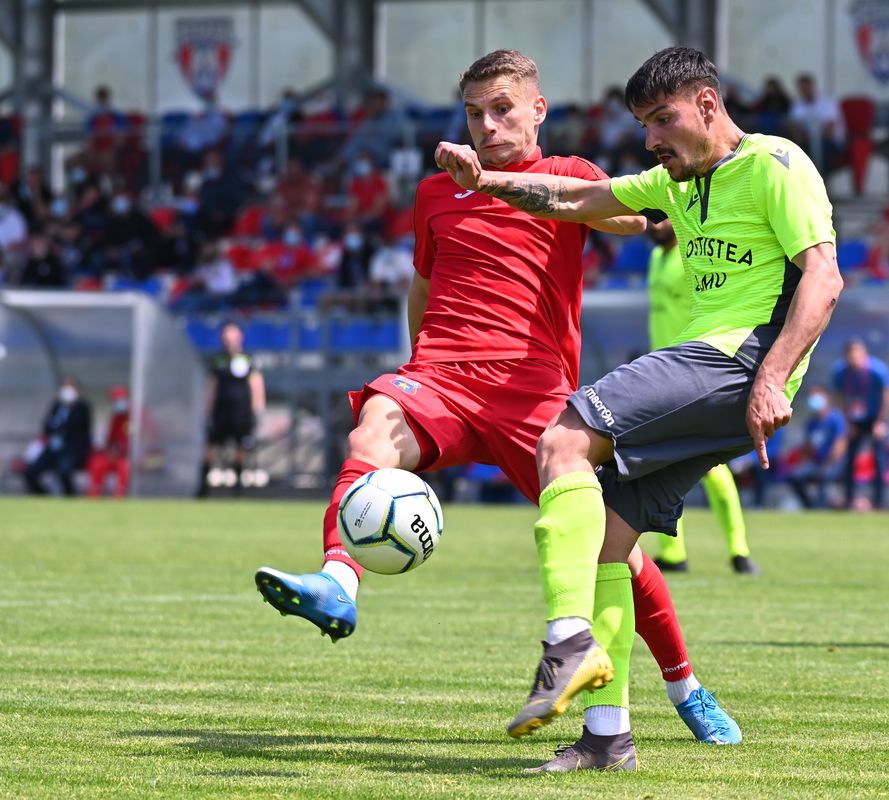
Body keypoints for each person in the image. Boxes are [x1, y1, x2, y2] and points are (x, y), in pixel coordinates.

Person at [253, 49, 740, 749]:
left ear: (538, 109)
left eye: (502, 108)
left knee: (613, 548)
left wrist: (623, 210)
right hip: (444, 377)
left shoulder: (569, 178)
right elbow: (423, 285)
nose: (487, 124)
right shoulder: (433, 192)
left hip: (532, 391)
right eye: (475, 113)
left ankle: (684, 684)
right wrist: (419, 367)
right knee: (371, 430)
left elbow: (629, 222)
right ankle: (339, 582)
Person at [435, 46, 841, 771]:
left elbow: (824, 278)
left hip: (736, 362)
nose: (652, 138)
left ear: (708, 106)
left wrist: (774, 378)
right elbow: (574, 202)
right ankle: (607, 737)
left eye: (663, 120)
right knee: (606, 544)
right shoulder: (675, 182)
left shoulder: (777, 164)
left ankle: (566, 644)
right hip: (720, 376)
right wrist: (486, 178)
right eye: (644, 124)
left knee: (564, 437)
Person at [643, 218, 759, 575]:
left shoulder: (693, 258)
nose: (653, 224)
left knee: (712, 466)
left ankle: (739, 550)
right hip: (659, 374)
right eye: (649, 217)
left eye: (661, 216)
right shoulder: (656, 259)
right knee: (658, 465)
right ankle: (673, 553)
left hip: (692, 371)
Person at [198, 321, 265, 497]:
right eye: (226, 336)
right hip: (220, 411)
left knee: (240, 448)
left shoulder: (248, 359)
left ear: (239, 337)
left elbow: (256, 385)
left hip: (241, 412)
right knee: (210, 447)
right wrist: (207, 411)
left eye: (232, 336)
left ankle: (237, 486)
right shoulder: (217, 360)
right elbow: (212, 386)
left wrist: (257, 410)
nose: (229, 340)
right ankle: (203, 486)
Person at [831, 338, 889, 510]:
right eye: (850, 356)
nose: (854, 359)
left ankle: (879, 502)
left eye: (857, 355)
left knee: (879, 460)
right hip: (854, 420)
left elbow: (887, 396)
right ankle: (849, 500)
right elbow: (839, 397)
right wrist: (847, 422)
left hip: (875, 419)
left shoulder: (878, 370)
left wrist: (881, 422)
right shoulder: (840, 372)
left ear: (864, 354)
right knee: (850, 460)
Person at [25, 376, 92, 496]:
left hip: (72, 449)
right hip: (54, 447)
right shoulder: (57, 405)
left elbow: (73, 426)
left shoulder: (82, 407)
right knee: (30, 472)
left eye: (71, 387)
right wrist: (58, 425)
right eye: (65, 387)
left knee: (63, 471)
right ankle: (42, 497)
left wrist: (58, 424)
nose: (67, 390)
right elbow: (46, 426)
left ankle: (71, 498)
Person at [788, 385, 847, 509]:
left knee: (824, 475)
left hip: (833, 464)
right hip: (816, 463)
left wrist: (828, 464)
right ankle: (809, 506)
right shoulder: (811, 423)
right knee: (795, 476)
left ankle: (822, 507)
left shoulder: (836, 418)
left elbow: (840, 444)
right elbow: (807, 447)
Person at [88, 385, 131, 498]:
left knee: (125, 467)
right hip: (115, 455)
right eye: (115, 400)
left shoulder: (137, 417)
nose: (117, 403)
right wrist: (109, 450)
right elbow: (111, 439)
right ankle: (94, 494)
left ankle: (120, 496)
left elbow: (144, 439)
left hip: (129, 456)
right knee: (97, 462)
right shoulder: (116, 418)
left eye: (120, 399)